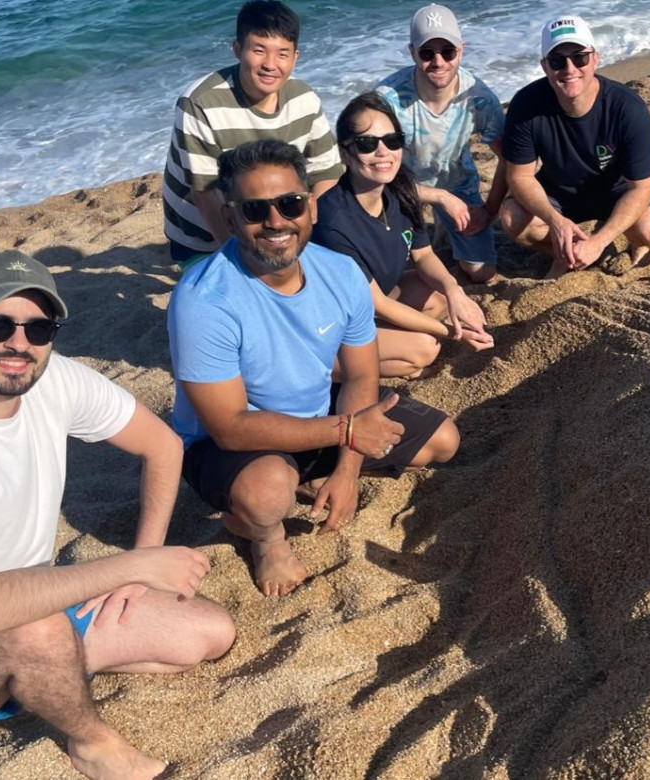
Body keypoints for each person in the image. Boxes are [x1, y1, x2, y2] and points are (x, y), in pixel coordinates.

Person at [0, 250, 235, 780]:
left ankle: (42, 674)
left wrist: (142, 562)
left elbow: (163, 446)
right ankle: (93, 743)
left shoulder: (53, 380)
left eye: (39, 328)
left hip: (31, 606)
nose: (19, 343)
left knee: (208, 633)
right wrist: (131, 567)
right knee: (35, 631)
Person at [168, 139, 460, 597]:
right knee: (267, 495)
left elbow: (361, 375)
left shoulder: (340, 272)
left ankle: (307, 476)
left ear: (312, 208)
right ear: (229, 218)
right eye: (255, 210)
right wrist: (348, 432)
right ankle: (264, 538)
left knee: (443, 442)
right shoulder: (204, 298)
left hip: (318, 412)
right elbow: (229, 429)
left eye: (290, 204)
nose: (276, 221)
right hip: (232, 440)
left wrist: (347, 470)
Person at [312, 93, 494, 379]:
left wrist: (454, 290)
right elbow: (378, 303)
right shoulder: (333, 219)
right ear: (345, 154)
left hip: (368, 303)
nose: (382, 151)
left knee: (437, 296)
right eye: (367, 143)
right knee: (424, 349)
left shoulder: (400, 191)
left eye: (392, 140)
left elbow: (423, 256)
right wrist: (452, 333)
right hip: (326, 322)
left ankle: (382, 345)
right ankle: (326, 368)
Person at [161, 0, 344, 267]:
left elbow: (326, 173)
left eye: (282, 54)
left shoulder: (304, 99)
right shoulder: (200, 103)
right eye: (259, 50)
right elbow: (205, 194)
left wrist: (313, 235)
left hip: (272, 222)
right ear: (237, 49)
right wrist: (243, 260)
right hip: (202, 236)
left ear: (295, 57)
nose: (270, 64)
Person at [500, 14, 650, 277]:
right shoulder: (525, 104)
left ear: (595, 58)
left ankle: (613, 245)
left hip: (618, 190)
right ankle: (565, 253)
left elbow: (641, 187)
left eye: (579, 57)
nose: (569, 69)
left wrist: (600, 240)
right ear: (545, 66)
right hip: (559, 192)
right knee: (512, 219)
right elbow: (519, 177)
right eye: (558, 61)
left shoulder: (627, 107)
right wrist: (555, 221)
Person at [374, 3, 507, 284]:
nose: (438, 62)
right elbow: (373, 173)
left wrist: (489, 211)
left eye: (447, 51)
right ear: (412, 52)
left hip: (457, 182)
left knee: (481, 272)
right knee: (388, 271)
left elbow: (508, 157)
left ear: (461, 50)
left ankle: (446, 229)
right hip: (399, 189)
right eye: (427, 53)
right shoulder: (387, 101)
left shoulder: (479, 99)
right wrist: (439, 198)